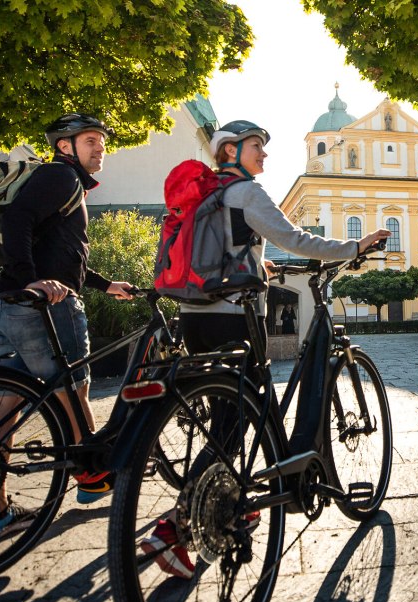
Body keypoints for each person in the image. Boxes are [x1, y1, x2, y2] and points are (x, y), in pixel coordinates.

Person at [139, 120, 390, 578]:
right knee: (237, 424)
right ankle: (173, 528)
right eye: (258, 146)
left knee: (225, 418)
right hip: (235, 318)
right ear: (231, 150)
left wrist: (258, 261)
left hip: (195, 318)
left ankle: (235, 499)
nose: (265, 155)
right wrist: (353, 245)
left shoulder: (209, 195)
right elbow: (297, 238)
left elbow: (222, 251)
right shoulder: (247, 192)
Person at [0, 113, 135, 543]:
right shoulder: (59, 177)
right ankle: (93, 478)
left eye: (101, 140)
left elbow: (64, 252)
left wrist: (105, 285)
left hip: (10, 306)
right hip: (46, 307)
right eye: (89, 140)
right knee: (73, 389)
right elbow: (17, 222)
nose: (100, 146)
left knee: (2, 411)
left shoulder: (64, 183)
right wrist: (31, 279)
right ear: (65, 146)